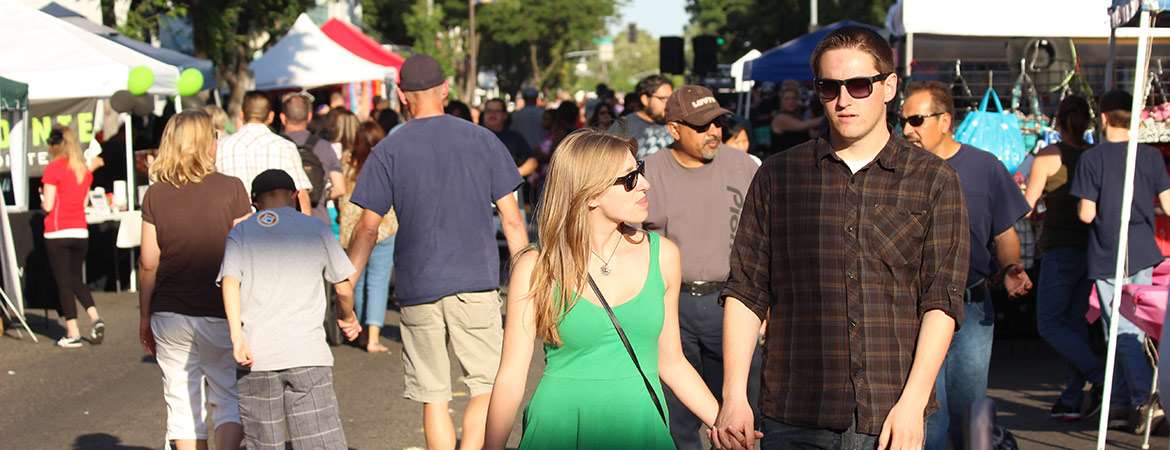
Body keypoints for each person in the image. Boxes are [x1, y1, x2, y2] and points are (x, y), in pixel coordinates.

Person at [713, 26, 970, 450]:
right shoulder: (778, 176)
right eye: (829, 87)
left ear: (888, 87)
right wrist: (733, 395)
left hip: (890, 413)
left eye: (858, 85)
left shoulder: (933, 180)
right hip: (794, 410)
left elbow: (941, 299)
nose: (844, 99)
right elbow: (746, 290)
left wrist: (913, 401)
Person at [484, 129, 734, 450]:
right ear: (589, 194)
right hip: (558, 429)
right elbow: (511, 376)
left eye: (640, 170)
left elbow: (670, 361)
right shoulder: (536, 265)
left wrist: (723, 423)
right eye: (629, 179)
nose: (645, 184)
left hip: (640, 428)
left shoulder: (663, 256)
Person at [346, 54, 530, 450]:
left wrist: (349, 281)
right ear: (446, 89)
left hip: (418, 284)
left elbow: (367, 226)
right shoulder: (482, 139)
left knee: (433, 395)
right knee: (485, 385)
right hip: (476, 282)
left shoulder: (389, 150)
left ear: (400, 95)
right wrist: (527, 278)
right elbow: (513, 221)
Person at [900, 80, 1032, 448]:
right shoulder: (896, 169)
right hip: (914, 307)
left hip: (971, 305)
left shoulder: (984, 166)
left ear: (944, 120)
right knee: (931, 413)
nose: (907, 129)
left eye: (916, 120)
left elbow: (1005, 235)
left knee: (972, 410)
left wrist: (1010, 269)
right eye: (903, 121)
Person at [642, 85, 763, 450]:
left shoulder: (744, 166)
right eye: (701, 125)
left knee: (739, 412)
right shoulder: (648, 172)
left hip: (732, 303)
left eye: (717, 123)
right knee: (676, 416)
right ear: (674, 129)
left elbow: (766, 240)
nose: (713, 132)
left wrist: (768, 305)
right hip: (670, 306)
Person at [220, 169, 361, 450]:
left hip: (257, 355)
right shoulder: (315, 229)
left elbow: (230, 282)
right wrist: (348, 317)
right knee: (318, 441)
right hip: (307, 352)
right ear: (295, 196)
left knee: (263, 443)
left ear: (254, 201)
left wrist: (237, 337)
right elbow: (343, 287)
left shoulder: (241, 232)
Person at [137, 111, 250, 450]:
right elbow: (247, 252)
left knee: (182, 401)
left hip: (170, 309)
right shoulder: (232, 188)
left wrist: (144, 315)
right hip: (220, 308)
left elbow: (148, 262)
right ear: (207, 144)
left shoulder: (155, 195)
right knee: (227, 396)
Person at [1071, 89, 1170, 432]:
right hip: (1142, 248)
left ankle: (1144, 400)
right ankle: (1122, 401)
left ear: (1103, 118)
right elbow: (1169, 205)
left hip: (1109, 250)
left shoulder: (1093, 159)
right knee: (1134, 327)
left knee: (1121, 331)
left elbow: (1086, 214)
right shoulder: (1152, 157)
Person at [1023, 95, 1103, 421]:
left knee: (1050, 324)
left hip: (1059, 248)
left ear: (1058, 120)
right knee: (1073, 324)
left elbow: (1027, 204)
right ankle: (1071, 397)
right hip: (1090, 247)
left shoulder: (1049, 155)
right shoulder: (1094, 156)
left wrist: (1037, 211)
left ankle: (1101, 378)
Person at [41, 125, 105, 348]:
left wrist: (42, 201)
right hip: (80, 230)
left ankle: (73, 331)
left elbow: (48, 205)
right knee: (77, 278)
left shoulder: (53, 169)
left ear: (55, 146)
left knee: (63, 283)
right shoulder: (83, 171)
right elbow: (84, 202)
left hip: (57, 231)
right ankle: (95, 316)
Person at [339, 121, 398, 354]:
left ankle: (360, 332)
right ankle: (373, 337)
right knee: (378, 281)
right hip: (384, 226)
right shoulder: (387, 159)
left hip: (352, 229)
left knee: (357, 281)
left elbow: (339, 192)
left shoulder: (346, 161)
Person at [216, 92, 313, 214]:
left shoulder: (221, 146)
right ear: (271, 116)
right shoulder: (284, 147)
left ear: (241, 115)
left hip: (234, 225)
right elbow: (301, 194)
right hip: (276, 225)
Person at [281, 91, 346, 225]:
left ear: (283, 118)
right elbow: (340, 188)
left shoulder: (275, 145)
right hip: (319, 222)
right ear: (309, 116)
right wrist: (321, 196)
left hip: (285, 225)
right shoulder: (324, 147)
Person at [609, 74, 675, 159]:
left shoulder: (677, 123)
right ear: (645, 99)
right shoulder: (624, 125)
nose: (668, 103)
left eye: (671, 98)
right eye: (663, 99)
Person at [481, 98, 538, 177]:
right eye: (489, 111)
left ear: (505, 115)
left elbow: (532, 161)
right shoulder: (472, 137)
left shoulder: (515, 138)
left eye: (497, 111)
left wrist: (514, 176)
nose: (492, 114)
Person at [770, 86, 821, 156]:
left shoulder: (798, 116)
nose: (791, 101)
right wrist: (828, 117)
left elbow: (812, 134)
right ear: (781, 101)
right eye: (786, 99)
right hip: (782, 162)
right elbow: (802, 125)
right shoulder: (780, 118)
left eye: (794, 98)